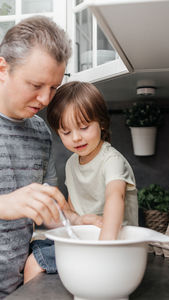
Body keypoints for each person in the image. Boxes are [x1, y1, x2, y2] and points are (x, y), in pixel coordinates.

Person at [0, 17, 101, 299]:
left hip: (15, 289)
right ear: (2, 69)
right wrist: (4, 203)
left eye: (54, 87)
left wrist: (76, 221)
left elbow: (46, 211)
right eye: (36, 85)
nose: (46, 99)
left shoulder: (41, 132)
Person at [24, 80, 138, 282]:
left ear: (101, 123)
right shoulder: (71, 164)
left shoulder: (111, 161)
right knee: (35, 247)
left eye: (84, 127)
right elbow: (72, 212)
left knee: (35, 262)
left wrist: (105, 251)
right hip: (84, 240)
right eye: (66, 132)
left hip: (113, 244)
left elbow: (115, 198)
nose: (76, 138)